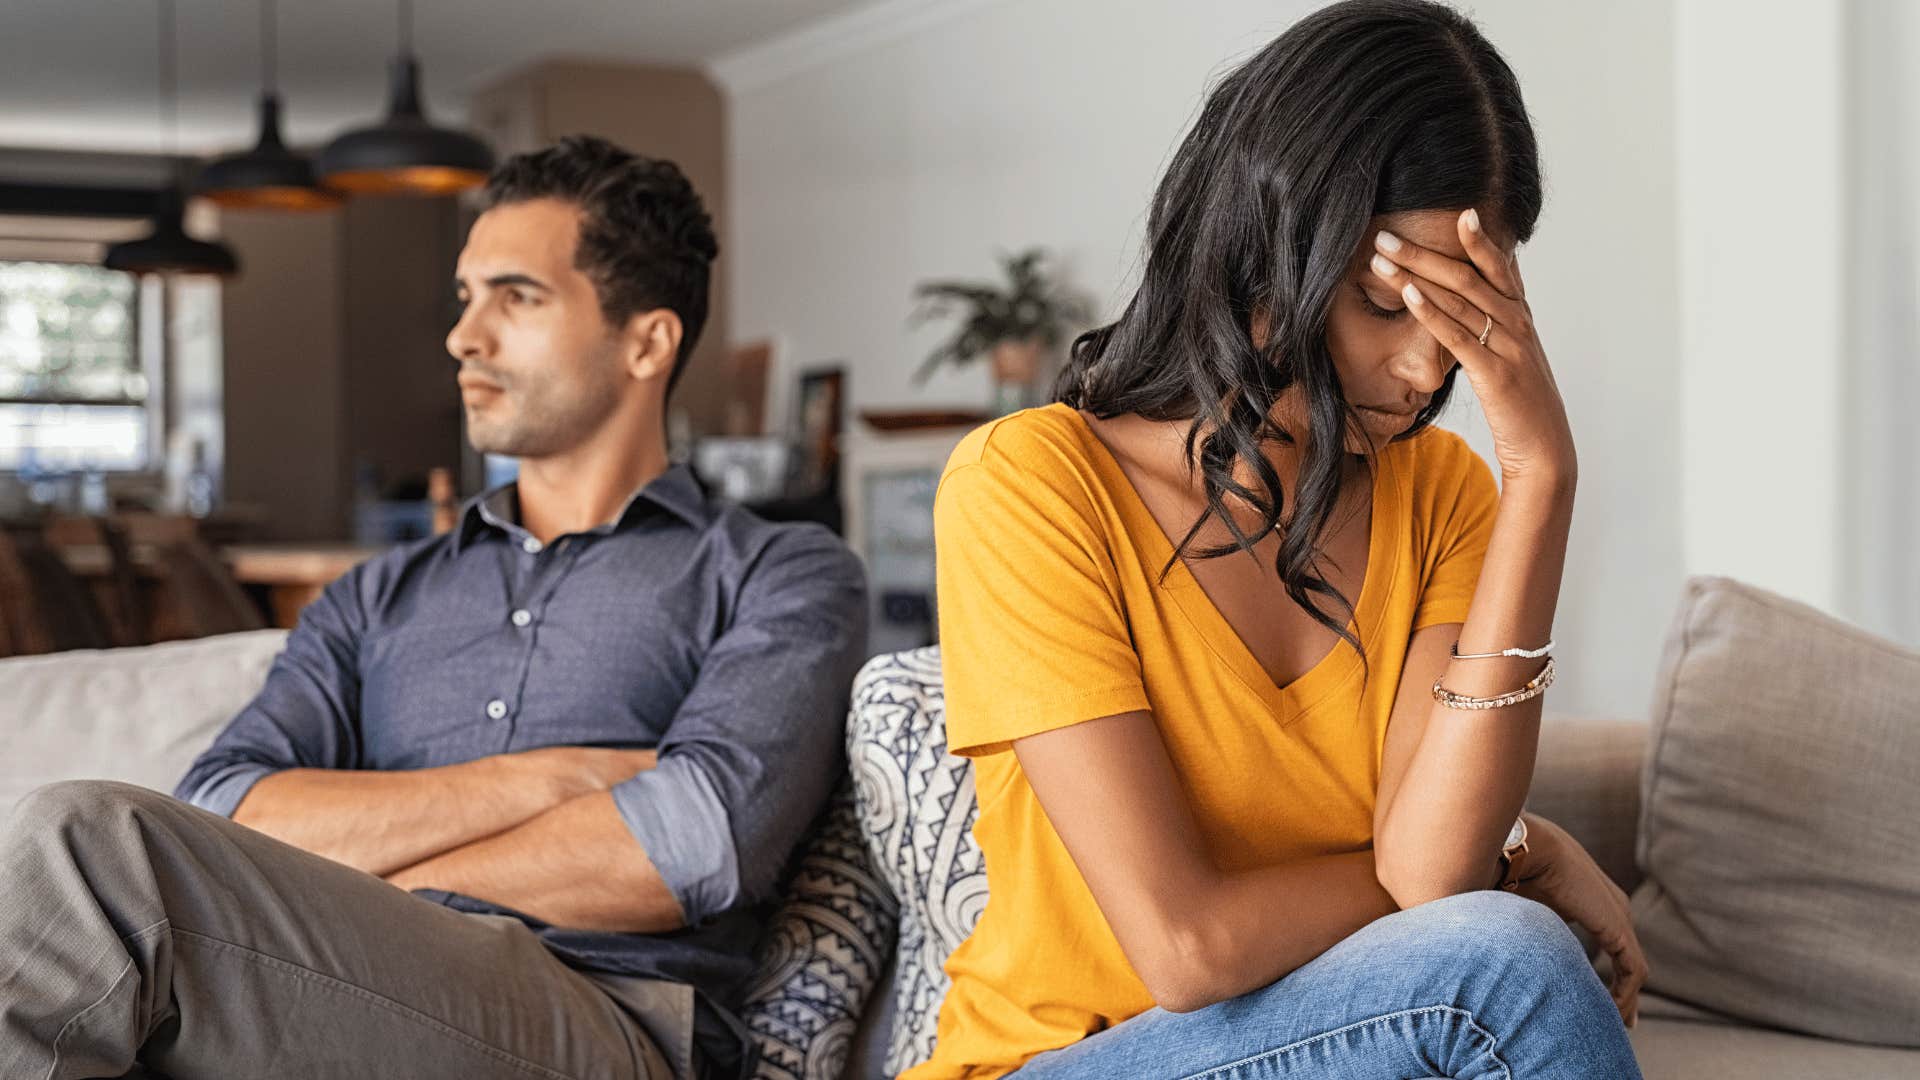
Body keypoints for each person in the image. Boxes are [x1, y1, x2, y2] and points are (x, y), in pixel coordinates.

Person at [0, 135, 868, 1080]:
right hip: (340, 987)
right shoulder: (377, 595)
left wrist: (350, 881)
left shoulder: (782, 571)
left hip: (606, 1018)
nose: (464, 335)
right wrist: (544, 782)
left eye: (516, 296)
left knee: (90, 845)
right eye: (466, 297)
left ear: (646, 341)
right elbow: (225, 805)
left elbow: (693, 840)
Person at [915, 2, 1646, 1077]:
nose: (1429, 366)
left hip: (1324, 1034)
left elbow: (1430, 875)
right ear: (1266, 249)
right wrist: (1509, 857)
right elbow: (1187, 947)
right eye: (1380, 304)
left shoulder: (1440, 492)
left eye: (1460, 314)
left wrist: (1543, 475)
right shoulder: (1029, 485)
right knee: (1506, 966)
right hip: (1066, 1060)